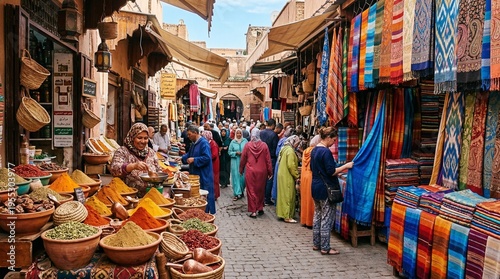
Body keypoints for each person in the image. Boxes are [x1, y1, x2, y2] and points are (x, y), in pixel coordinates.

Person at [310, 127, 353, 255]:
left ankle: (316, 244)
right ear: (328, 138)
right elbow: (331, 171)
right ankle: (325, 247)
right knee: (326, 218)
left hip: (316, 186)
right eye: (333, 139)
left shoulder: (314, 150)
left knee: (317, 215)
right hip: (325, 188)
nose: (334, 142)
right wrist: (346, 166)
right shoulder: (325, 152)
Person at [110, 123, 161, 197]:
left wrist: (156, 177)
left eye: (146, 138)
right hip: (128, 197)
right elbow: (114, 169)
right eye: (139, 138)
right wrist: (133, 166)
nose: (143, 141)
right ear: (132, 137)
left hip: (151, 197)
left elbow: (159, 170)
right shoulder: (122, 151)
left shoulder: (151, 152)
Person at [181, 125, 216, 214]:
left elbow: (207, 158)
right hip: (196, 173)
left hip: (204, 174)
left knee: (204, 194)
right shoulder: (194, 143)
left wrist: (194, 160)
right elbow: (189, 154)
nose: (188, 137)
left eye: (189, 134)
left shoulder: (203, 143)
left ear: (195, 133)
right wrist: (182, 158)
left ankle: (205, 212)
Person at [240, 129, 273, 218]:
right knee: (260, 190)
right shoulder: (264, 145)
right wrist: (270, 172)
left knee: (251, 190)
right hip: (262, 171)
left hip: (250, 170)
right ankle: (260, 207)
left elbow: (243, 158)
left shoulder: (247, 145)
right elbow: (268, 160)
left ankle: (253, 211)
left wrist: (241, 169)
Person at [276, 135, 301, 223]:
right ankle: (287, 216)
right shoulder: (290, 151)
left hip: (282, 174)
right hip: (287, 175)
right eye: (297, 143)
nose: (297, 145)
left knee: (283, 195)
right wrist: (296, 175)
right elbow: (291, 165)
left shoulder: (285, 148)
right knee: (288, 194)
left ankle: (282, 213)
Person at [300, 135, 321, 228]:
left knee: (305, 199)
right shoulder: (315, 152)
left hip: (304, 176)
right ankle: (310, 222)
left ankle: (304, 220)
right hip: (312, 176)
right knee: (312, 200)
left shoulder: (305, 151)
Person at [260, 119, 279, 206]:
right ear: (273, 125)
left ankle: (262, 197)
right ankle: (267, 198)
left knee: (263, 177)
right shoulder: (274, 135)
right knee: (269, 178)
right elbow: (275, 148)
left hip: (261, 158)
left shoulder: (261, 132)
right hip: (271, 158)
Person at [228, 128, 248, 201]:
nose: (239, 135)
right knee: (236, 177)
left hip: (244, 162)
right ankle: (236, 193)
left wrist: (244, 154)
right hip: (235, 161)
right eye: (237, 133)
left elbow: (248, 150)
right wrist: (235, 153)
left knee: (243, 178)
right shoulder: (233, 142)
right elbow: (229, 152)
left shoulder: (245, 141)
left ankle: (241, 191)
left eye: (240, 133)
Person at [202, 130, 220, 200]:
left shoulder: (213, 144)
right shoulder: (209, 143)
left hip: (214, 164)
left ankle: (214, 194)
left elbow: (214, 155)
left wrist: (205, 158)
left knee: (214, 179)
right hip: (211, 163)